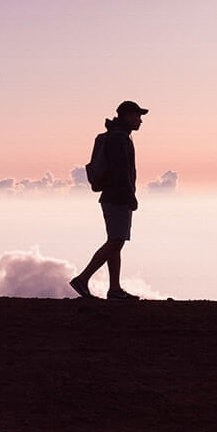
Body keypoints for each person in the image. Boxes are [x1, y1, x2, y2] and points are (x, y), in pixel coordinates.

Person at [69, 100, 148, 300]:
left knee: (116, 241)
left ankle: (114, 289)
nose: (140, 120)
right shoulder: (119, 139)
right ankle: (82, 279)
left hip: (112, 196)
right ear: (127, 116)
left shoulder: (116, 136)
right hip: (118, 197)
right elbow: (121, 170)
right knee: (116, 241)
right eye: (137, 116)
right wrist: (131, 196)